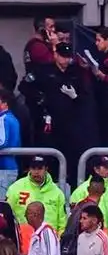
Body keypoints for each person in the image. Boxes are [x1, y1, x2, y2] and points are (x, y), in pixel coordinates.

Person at [18, 41, 98, 181]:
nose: (65, 60)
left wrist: (75, 96)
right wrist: (39, 98)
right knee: (50, 158)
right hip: (49, 122)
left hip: (71, 123)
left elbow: (86, 97)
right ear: (55, 55)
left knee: (72, 159)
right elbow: (24, 87)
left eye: (68, 57)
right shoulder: (43, 71)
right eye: (63, 56)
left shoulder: (76, 72)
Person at [6, 157, 66, 255]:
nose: (36, 172)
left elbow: (62, 223)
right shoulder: (16, 188)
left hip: (49, 245)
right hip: (23, 245)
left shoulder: (57, 193)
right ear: (29, 169)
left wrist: (57, 242)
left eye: (40, 168)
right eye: (33, 168)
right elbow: (7, 214)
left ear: (46, 169)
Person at [0, 88, 22, 196]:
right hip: (9, 167)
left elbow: (2, 142)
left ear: (5, 103)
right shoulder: (13, 118)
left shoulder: (4, 119)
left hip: (4, 168)